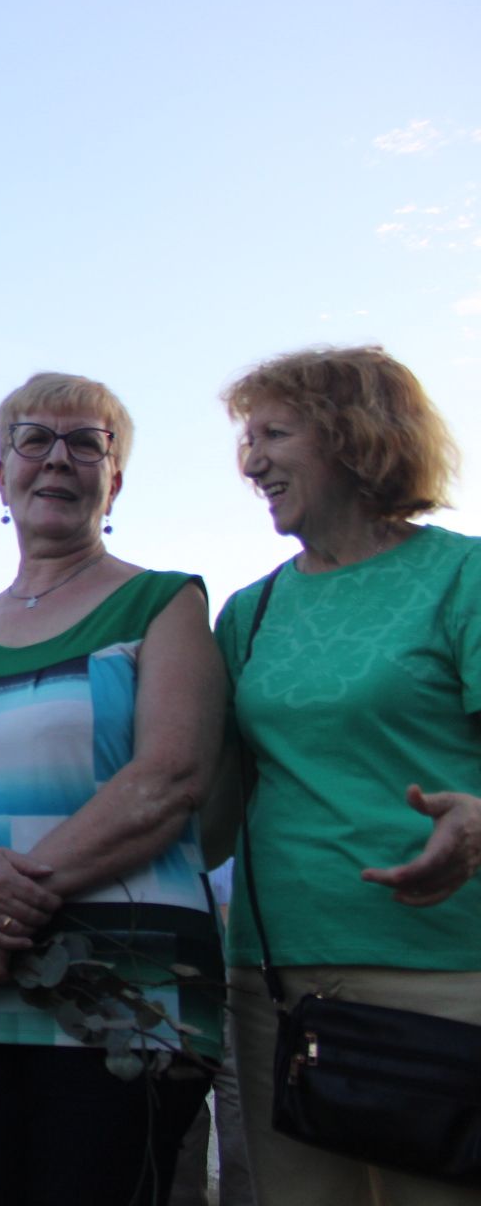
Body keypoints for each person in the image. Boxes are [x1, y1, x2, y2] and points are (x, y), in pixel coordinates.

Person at [0, 372, 227, 1204]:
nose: (57, 459)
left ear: (116, 480)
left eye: (86, 443)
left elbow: (170, 777)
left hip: (123, 988)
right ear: (2, 475)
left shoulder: (163, 603)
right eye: (34, 439)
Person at [214, 345, 480, 1206]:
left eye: (274, 433)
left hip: (443, 976)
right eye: (245, 439)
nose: (251, 460)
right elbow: (207, 802)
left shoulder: (463, 576)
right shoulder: (247, 613)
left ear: (355, 438)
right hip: (277, 983)